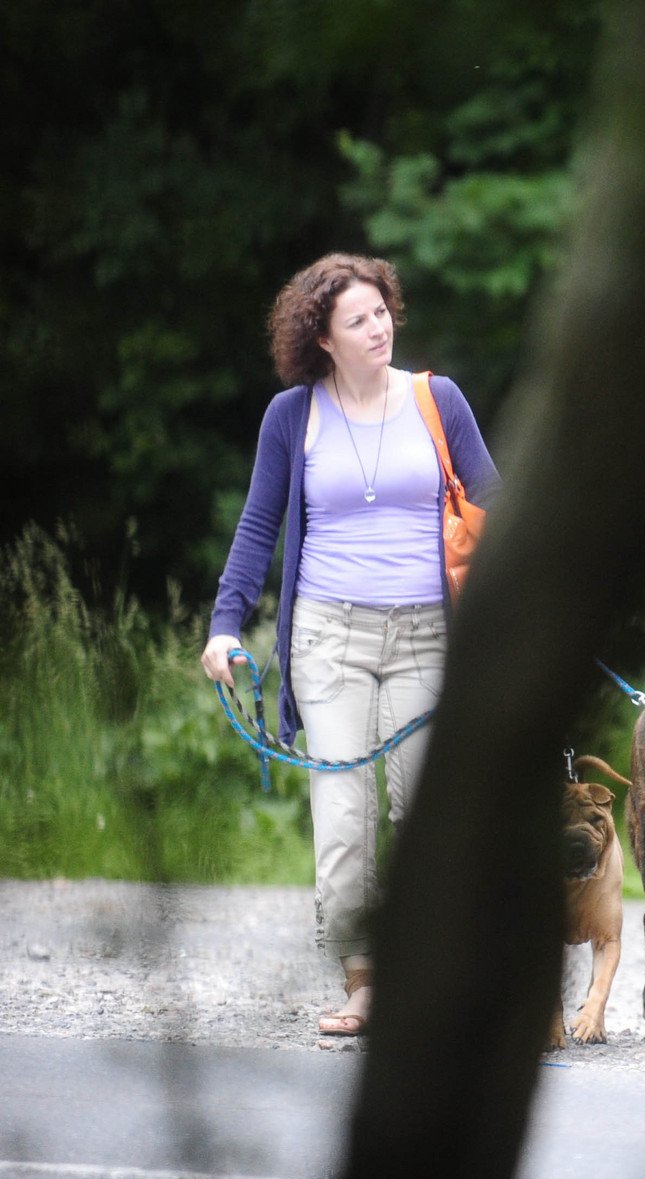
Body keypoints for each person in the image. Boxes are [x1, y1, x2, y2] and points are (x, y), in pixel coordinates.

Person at [201, 253, 500, 1038]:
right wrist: (225, 626)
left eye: (382, 311)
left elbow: (495, 506)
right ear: (323, 339)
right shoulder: (291, 417)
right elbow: (259, 527)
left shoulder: (437, 400)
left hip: (426, 635)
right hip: (327, 635)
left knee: (425, 812)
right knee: (343, 820)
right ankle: (364, 983)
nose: (378, 327)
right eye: (357, 320)